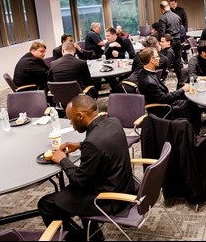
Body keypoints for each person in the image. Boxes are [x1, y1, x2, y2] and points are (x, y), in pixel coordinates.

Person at [38, 95, 137, 241]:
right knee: (67, 195)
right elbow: (102, 142)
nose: (71, 124)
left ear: (80, 116)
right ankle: (93, 234)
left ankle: (80, 238)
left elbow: (80, 181)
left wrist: (63, 160)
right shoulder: (113, 121)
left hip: (109, 199)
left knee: (46, 204)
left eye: (71, 119)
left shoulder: (92, 143)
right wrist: (80, 144)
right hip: (124, 184)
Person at [137, 47, 202, 134]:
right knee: (193, 107)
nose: (159, 58)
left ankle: (192, 130)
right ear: (152, 60)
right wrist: (182, 89)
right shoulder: (149, 81)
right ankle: (193, 134)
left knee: (191, 102)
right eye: (157, 56)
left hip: (162, 102)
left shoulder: (144, 72)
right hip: (163, 109)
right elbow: (164, 98)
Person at [158, 0, 183, 83]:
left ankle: (160, 81)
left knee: (164, 64)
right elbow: (181, 29)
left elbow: (162, 34)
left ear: (162, 9)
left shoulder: (163, 18)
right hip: (178, 41)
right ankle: (181, 82)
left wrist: (160, 44)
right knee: (178, 62)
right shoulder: (177, 16)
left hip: (169, 43)